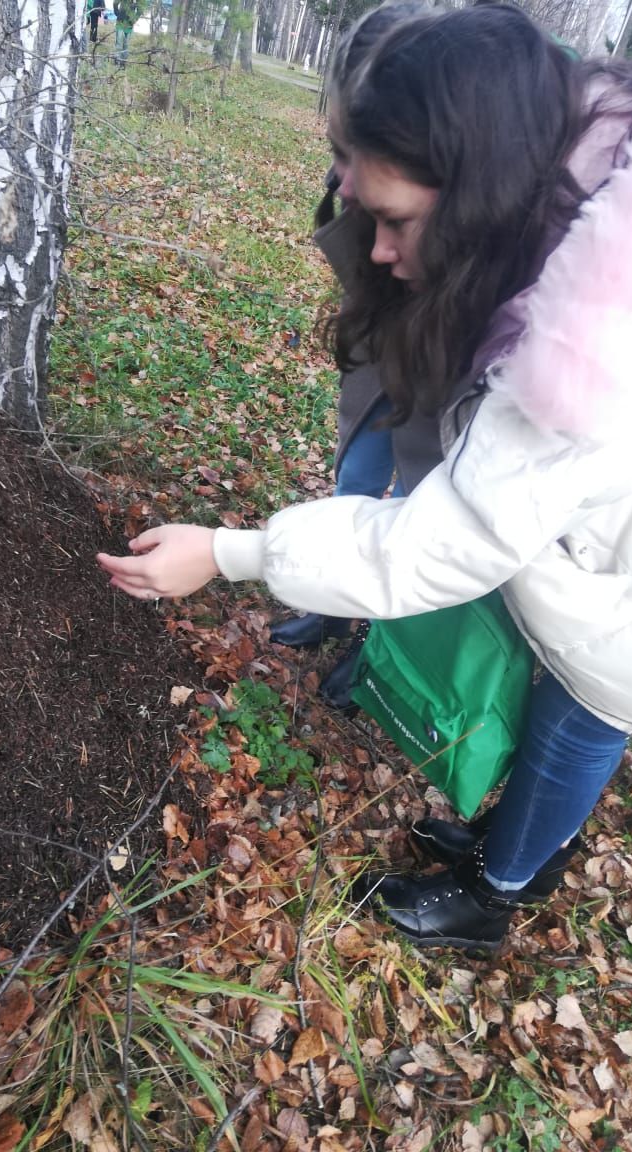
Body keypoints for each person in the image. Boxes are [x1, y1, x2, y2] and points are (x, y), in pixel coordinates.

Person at [98, 5, 632, 951]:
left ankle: (495, 895)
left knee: (581, 716)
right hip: (605, 550)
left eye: (395, 219)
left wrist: (232, 551)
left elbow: (438, 545)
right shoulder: (585, 186)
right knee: (556, 709)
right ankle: (513, 844)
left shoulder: (591, 346)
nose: (373, 249)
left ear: (479, 189)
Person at [270, 4, 440, 713]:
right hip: (387, 336)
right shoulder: (370, 192)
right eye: (335, 153)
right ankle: (336, 604)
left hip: (446, 347)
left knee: (424, 501)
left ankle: (382, 652)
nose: (340, 182)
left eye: (350, 155)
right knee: (359, 472)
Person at [114, 0, 143, 68]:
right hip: (120, 23)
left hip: (129, 24)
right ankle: (117, 61)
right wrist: (117, 12)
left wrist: (134, 18)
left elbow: (140, 9)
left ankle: (123, 62)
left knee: (126, 44)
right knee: (119, 43)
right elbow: (115, 3)